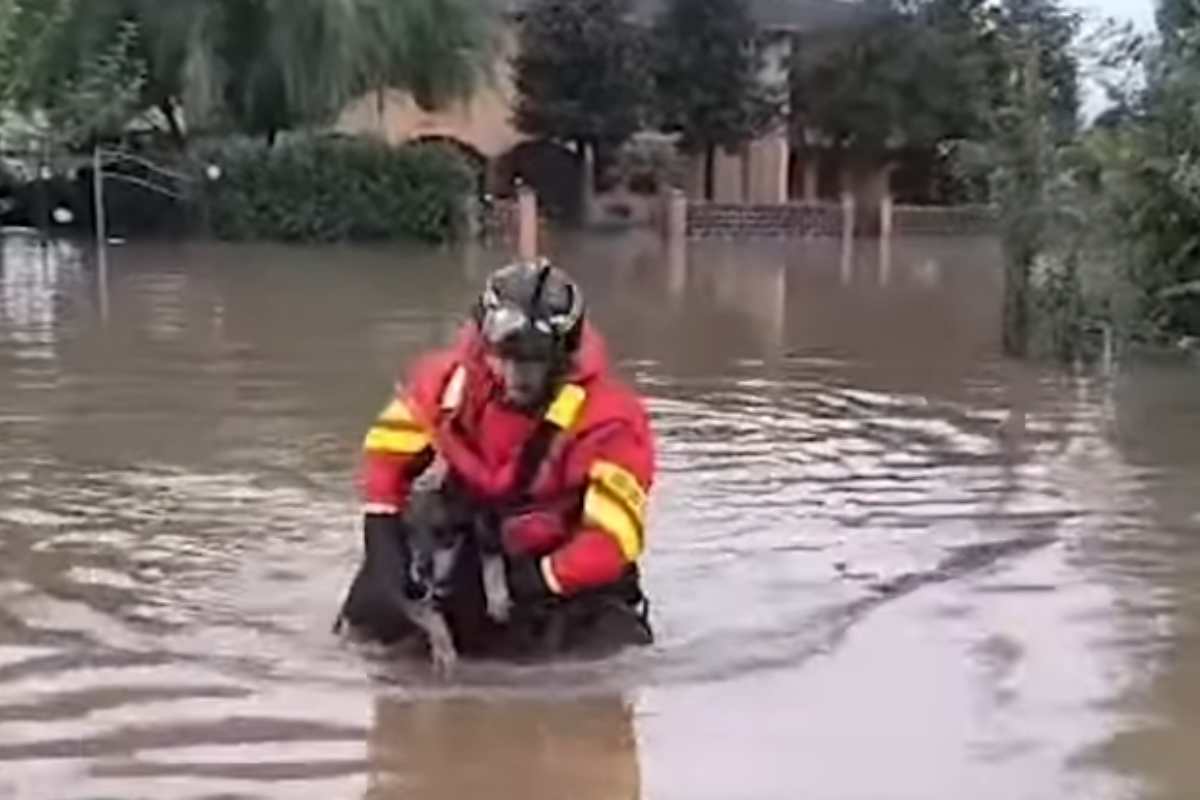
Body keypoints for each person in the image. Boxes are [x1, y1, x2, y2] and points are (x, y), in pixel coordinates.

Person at [340, 258, 655, 661]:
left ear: (563, 355)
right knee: (370, 625)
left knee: (607, 661)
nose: (517, 374)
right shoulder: (445, 383)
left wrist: (536, 580)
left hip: (560, 573)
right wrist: (382, 544)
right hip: (468, 545)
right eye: (506, 356)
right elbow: (386, 456)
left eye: (535, 360)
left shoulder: (613, 422)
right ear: (484, 344)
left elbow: (611, 541)